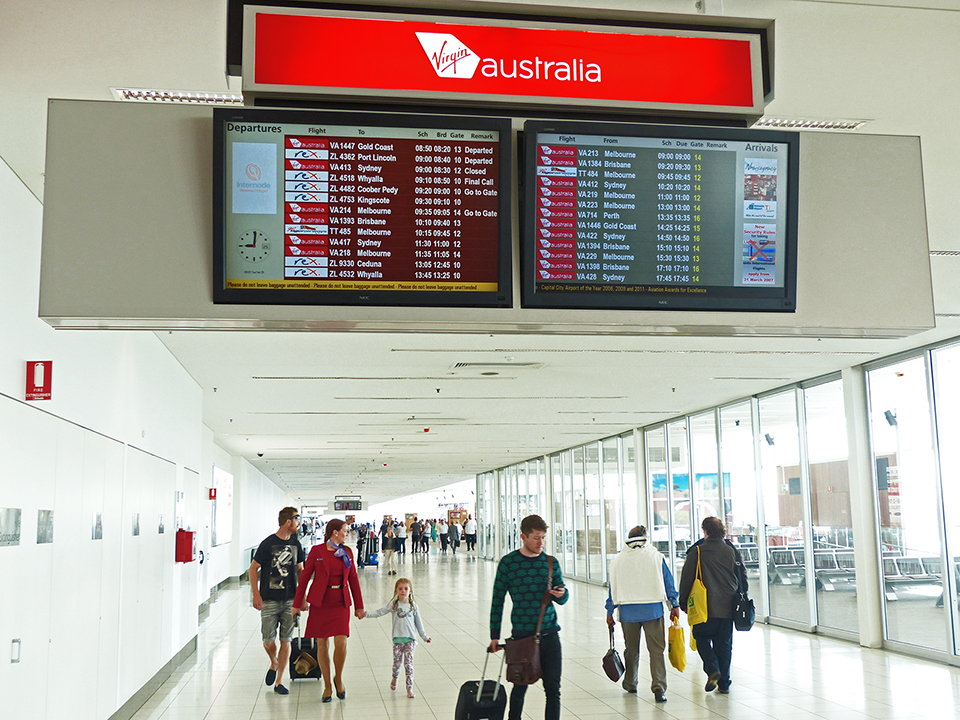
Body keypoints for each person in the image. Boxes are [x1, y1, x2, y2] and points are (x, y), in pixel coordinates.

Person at [490, 514, 568, 720]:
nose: (541, 542)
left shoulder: (551, 563)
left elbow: (562, 596)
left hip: (550, 634)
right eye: (536, 538)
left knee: (553, 688)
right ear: (523, 537)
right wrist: (494, 636)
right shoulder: (508, 563)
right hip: (522, 635)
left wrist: (562, 595)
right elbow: (497, 601)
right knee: (519, 688)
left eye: (543, 537)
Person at [292, 518, 366, 702]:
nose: (347, 534)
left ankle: (338, 678)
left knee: (341, 643)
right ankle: (327, 685)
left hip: (340, 602)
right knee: (322, 644)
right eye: (345, 531)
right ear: (335, 532)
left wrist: (359, 606)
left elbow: (354, 580)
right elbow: (304, 578)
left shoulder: (347, 552)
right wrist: (297, 603)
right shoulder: (317, 551)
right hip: (320, 603)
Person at [605, 525, 681, 702]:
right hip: (652, 610)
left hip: (628, 612)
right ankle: (659, 688)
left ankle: (631, 682)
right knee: (656, 651)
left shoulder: (618, 560)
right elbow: (667, 581)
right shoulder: (655, 556)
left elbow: (613, 588)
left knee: (631, 650)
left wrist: (610, 610)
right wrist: (674, 604)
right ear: (645, 537)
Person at [678, 517, 748, 695]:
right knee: (724, 644)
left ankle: (712, 669)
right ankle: (724, 683)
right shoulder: (732, 550)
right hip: (728, 606)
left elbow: (686, 578)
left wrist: (683, 602)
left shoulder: (698, 551)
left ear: (705, 531)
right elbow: (742, 576)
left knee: (700, 637)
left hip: (704, 607)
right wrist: (742, 596)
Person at [248, 506, 305, 696]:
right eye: (297, 519)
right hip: (270, 600)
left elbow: (301, 571)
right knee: (268, 641)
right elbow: (253, 569)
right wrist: (256, 594)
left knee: (286, 640)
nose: (299, 523)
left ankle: (279, 680)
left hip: (290, 600)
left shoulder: (297, 544)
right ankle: (273, 661)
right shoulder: (267, 544)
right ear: (288, 521)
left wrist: (303, 596)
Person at [364, 577, 432, 698]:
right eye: (400, 589)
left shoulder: (413, 606)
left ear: (410, 591)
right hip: (398, 640)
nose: (403, 591)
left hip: (410, 640)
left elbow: (419, 624)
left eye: (406, 588)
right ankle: (394, 678)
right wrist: (366, 614)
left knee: (409, 664)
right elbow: (380, 612)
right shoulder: (394, 605)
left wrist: (424, 637)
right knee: (397, 663)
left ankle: (409, 688)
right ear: (396, 590)